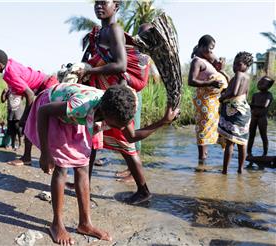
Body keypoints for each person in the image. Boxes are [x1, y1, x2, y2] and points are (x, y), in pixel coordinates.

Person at [23, 82, 179, 245]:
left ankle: (85, 224)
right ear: (104, 113)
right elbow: (43, 111)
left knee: (83, 166)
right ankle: (57, 224)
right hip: (52, 110)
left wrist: (163, 121)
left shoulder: (122, 106)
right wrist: (45, 153)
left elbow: (131, 137)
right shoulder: (81, 105)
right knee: (62, 167)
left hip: (77, 116)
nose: (120, 128)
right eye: (116, 125)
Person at [73, 0, 167, 203]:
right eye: (96, 3)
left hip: (114, 97)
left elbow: (121, 64)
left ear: (116, 6)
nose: (99, 6)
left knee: (126, 142)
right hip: (102, 93)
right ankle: (84, 182)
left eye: (103, 3)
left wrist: (91, 70)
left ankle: (143, 191)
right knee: (92, 138)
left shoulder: (115, 30)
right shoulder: (98, 33)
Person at [0, 31, 58, 166]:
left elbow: (30, 94)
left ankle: (35, 157)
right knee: (30, 124)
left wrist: (25, 117)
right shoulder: (6, 66)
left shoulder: (10, 74)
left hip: (47, 86)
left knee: (31, 123)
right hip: (43, 86)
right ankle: (29, 157)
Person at [188, 34, 228, 163]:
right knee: (204, 128)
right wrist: (210, 83)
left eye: (213, 49)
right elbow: (191, 81)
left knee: (210, 128)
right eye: (210, 48)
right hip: (205, 101)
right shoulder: (197, 61)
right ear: (201, 46)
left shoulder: (206, 61)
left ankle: (204, 159)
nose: (211, 51)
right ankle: (202, 161)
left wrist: (220, 69)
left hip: (213, 101)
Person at [218, 51, 254, 174]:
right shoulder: (247, 77)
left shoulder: (239, 74)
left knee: (230, 142)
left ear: (246, 66)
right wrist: (223, 72)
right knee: (242, 142)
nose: (235, 67)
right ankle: (240, 169)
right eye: (234, 64)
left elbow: (233, 92)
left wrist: (222, 98)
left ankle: (225, 171)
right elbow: (244, 94)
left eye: (238, 64)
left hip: (235, 111)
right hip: (244, 110)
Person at [247, 76, 274, 157]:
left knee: (263, 135)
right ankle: (249, 152)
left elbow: (265, 105)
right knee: (251, 135)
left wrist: (252, 105)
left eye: (263, 83)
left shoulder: (269, 94)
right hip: (254, 117)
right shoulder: (255, 95)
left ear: (268, 86)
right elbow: (251, 106)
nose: (260, 83)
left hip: (262, 118)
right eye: (260, 82)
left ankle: (265, 153)